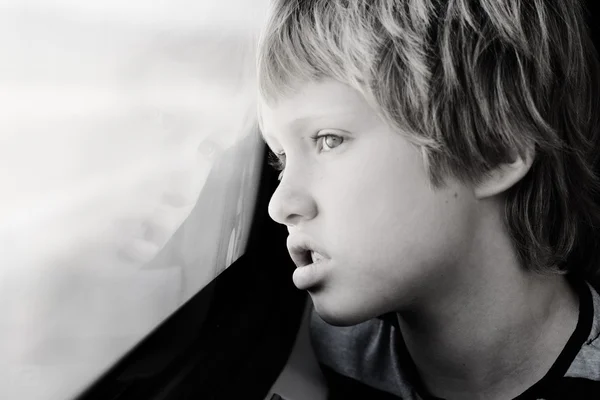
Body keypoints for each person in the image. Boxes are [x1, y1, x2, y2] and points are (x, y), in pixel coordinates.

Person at [256, 0, 600, 398]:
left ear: (493, 151)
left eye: (328, 140)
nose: (280, 205)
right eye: (281, 159)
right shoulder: (302, 352)